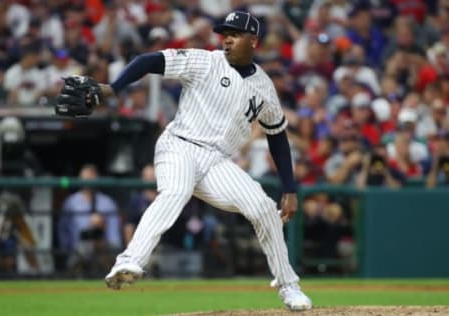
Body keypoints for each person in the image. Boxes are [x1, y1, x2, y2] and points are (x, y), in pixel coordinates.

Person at [55, 11, 312, 310]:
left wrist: (290, 188)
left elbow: (277, 134)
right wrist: (114, 88)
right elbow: (147, 60)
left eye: (235, 33)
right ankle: (129, 261)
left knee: (264, 208)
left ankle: (289, 286)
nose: (226, 38)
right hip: (179, 147)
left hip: (217, 162)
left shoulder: (264, 87)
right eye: (224, 33)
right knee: (176, 192)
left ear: (253, 40)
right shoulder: (205, 61)